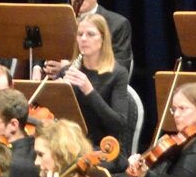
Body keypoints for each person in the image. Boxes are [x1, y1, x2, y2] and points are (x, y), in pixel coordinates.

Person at [48, 13, 136, 160]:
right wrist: (56, 95)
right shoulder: (68, 71)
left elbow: (118, 124)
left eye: (90, 34)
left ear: (103, 39)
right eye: (80, 34)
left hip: (104, 148)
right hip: (72, 144)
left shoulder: (118, 74)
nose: (83, 39)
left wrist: (89, 91)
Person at [65, 0, 134, 75]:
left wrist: (68, 68)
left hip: (94, 89)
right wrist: (37, 68)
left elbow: (120, 69)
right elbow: (42, 50)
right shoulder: (60, 18)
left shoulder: (117, 24)